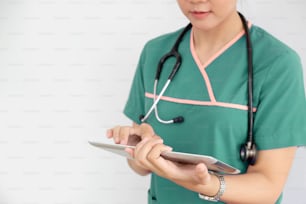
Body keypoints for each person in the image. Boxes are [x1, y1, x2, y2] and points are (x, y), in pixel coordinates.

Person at [106, 0, 306, 203]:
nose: (196, 0)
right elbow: (141, 167)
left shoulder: (278, 63)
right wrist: (136, 149)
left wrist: (207, 184)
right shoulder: (155, 53)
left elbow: (267, 187)